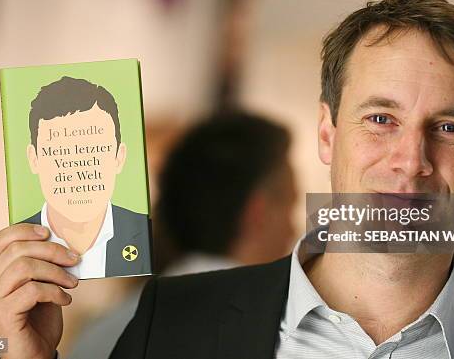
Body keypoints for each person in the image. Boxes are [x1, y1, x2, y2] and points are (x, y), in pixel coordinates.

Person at [0, 0, 454, 359]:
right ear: (328, 133)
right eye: (380, 119)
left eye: (449, 128)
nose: (411, 161)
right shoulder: (174, 321)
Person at [67, 112, 298, 358]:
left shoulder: (106, 327)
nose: (292, 231)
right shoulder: (279, 338)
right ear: (258, 212)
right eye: (290, 208)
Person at [21, 76, 151, 279]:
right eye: (60, 152)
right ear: (34, 158)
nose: (77, 167)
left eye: (94, 149)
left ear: (119, 156)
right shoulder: (18, 246)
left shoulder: (147, 236)